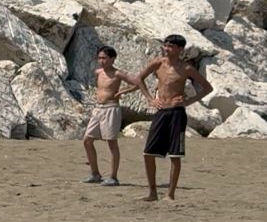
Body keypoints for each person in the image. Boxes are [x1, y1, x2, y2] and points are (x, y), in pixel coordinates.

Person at [133, 35, 212, 202]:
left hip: (176, 113)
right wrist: (150, 99)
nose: (166, 49)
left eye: (170, 46)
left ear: (180, 49)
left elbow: (207, 88)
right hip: (161, 112)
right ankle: (152, 192)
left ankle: (170, 194)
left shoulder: (186, 68)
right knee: (148, 153)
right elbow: (139, 79)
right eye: (165, 45)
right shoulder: (158, 63)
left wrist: (188, 101)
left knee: (175, 155)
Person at [81, 46, 147, 186]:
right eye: (99, 58)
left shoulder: (118, 74)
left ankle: (113, 177)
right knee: (87, 140)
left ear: (112, 59)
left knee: (111, 142)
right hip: (98, 108)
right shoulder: (98, 72)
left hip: (111, 109)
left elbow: (137, 82)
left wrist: (124, 91)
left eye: (104, 58)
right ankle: (95, 173)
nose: (101, 61)